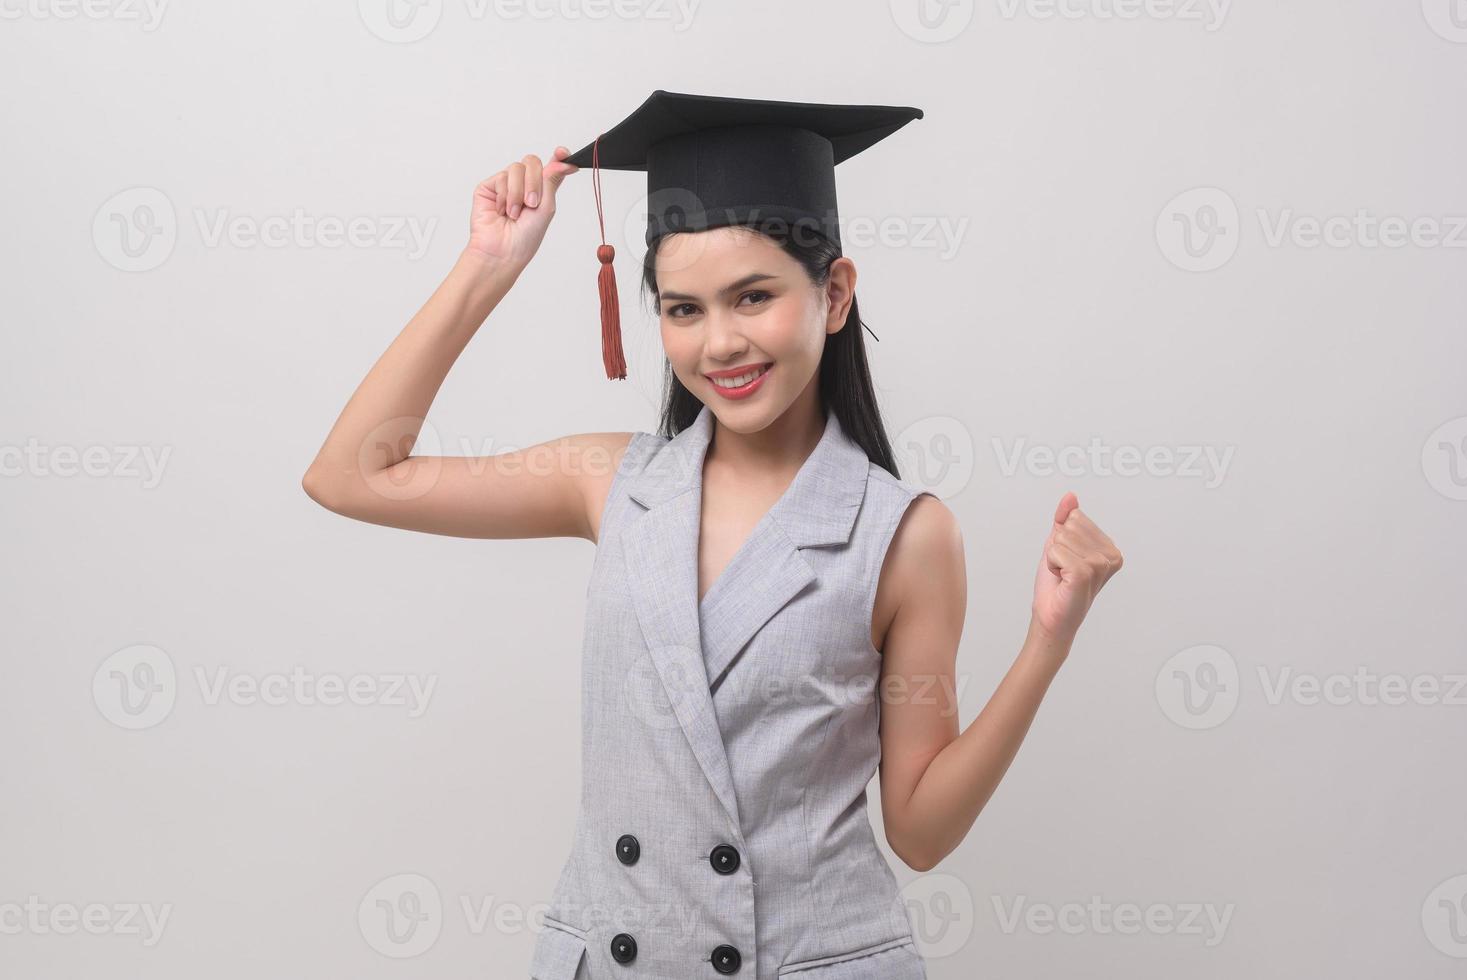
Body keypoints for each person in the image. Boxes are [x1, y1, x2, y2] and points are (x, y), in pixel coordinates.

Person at [301, 91, 1124, 980]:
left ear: (834, 293)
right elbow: (352, 474)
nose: (719, 343)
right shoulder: (608, 481)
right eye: (683, 309)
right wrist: (487, 265)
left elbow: (920, 833)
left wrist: (1047, 641)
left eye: (753, 296)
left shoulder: (903, 534)